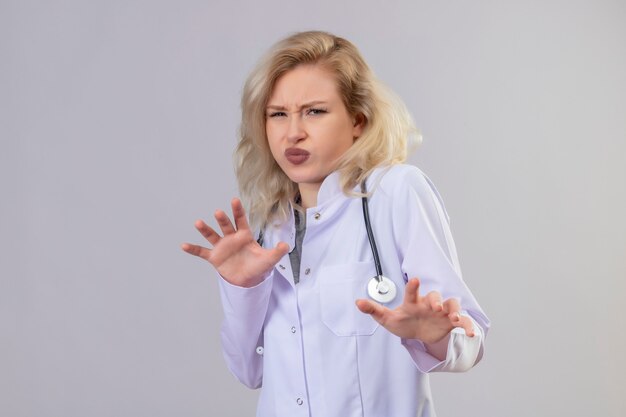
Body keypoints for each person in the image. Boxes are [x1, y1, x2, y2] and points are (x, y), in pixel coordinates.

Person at [182, 31, 490, 417]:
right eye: (278, 114)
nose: (293, 131)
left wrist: (439, 336)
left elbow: (470, 342)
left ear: (358, 120)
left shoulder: (396, 192)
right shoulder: (269, 226)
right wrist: (242, 288)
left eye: (314, 111)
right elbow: (249, 371)